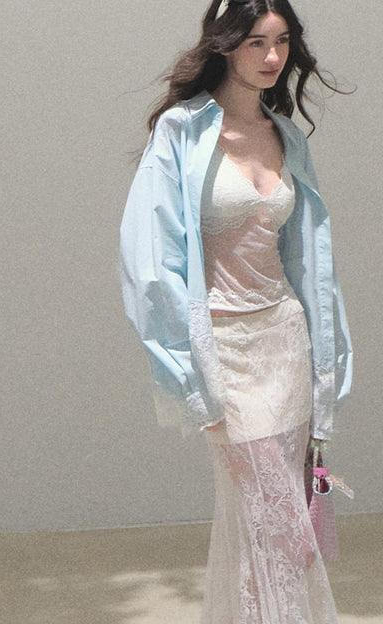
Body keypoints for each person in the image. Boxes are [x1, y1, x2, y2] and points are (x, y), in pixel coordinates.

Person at [120, 0, 353, 622]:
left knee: (275, 532)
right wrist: (187, 374)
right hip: (223, 351)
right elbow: (150, 263)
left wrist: (329, 364)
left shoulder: (286, 136)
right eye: (256, 42)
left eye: (282, 41)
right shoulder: (182, 132)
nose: (273, 56)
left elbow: (312, 263)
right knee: (275, 521)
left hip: (286, 344)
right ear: (224, 45)